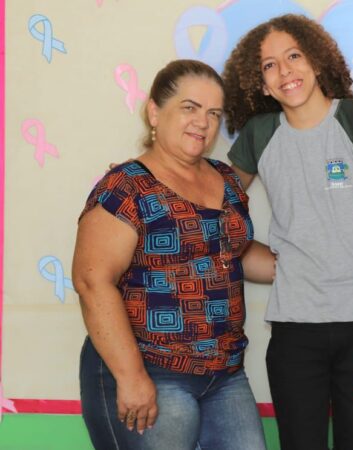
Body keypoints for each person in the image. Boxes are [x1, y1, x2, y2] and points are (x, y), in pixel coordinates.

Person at [73, 59, 274, 450]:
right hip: (150, 368)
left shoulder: (227, 180)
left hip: (225, 374)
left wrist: (305, 266)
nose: (203, 122)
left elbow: (233, 253)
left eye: (213, 113)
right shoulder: (126, 186)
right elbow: (91, 281)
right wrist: (131, 378)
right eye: (189, 107)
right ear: (154, 111)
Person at [222, 14, 353, 450]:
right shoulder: (259, 134)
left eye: (294, 56)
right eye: (269, 65)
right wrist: (154, 179)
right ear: (260, 84)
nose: (285, 71)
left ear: (316, 62)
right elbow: (211, 206)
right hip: (294, 332)